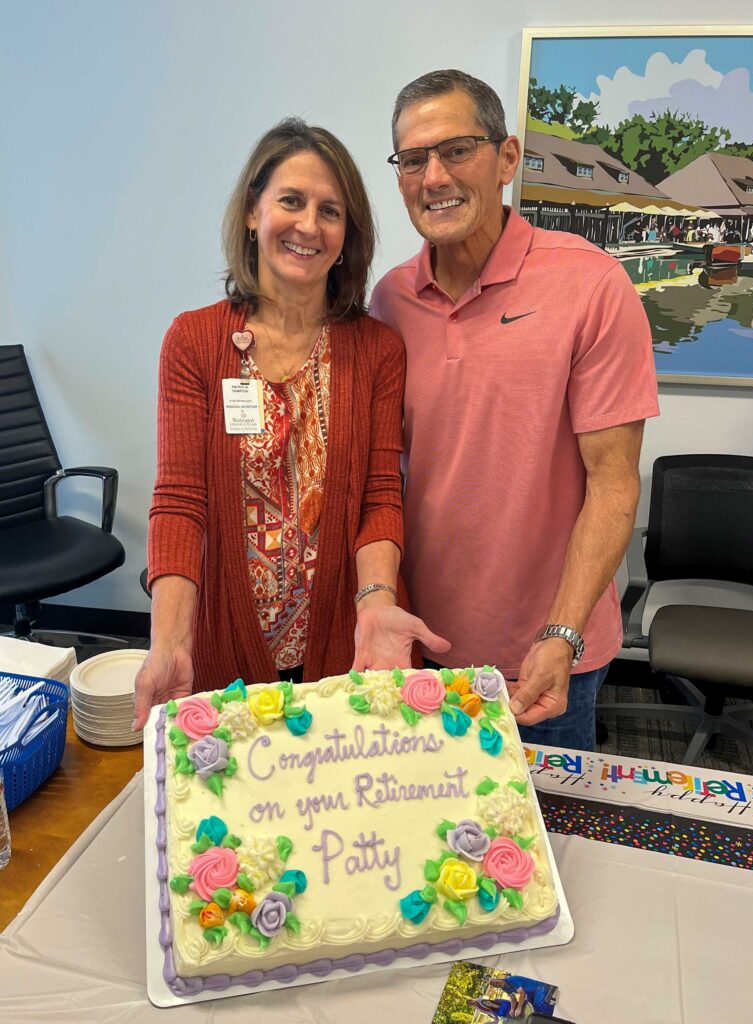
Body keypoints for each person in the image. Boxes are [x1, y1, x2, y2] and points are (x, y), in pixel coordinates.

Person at [370, 70, 659, 750]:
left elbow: (614, 484)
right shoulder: (389, 303)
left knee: (547, 842)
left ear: (505, 159)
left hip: (550, 651)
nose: (433, 176)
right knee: (440, 842)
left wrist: (561, 632)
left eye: (456, 150)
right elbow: (382, 479)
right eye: (413, 160)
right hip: (424, 642)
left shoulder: (592, 285)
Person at [133, 118, 448, 730]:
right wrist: (170, 639)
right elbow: (179, 503)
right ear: (253, 212)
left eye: (330, 210)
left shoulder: (377, 349)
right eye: (291, 201)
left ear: (347, 232)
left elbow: (381, 496)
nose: (309, 225)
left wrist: (376, 603)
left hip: (350, 643)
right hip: (225, 645)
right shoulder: (194, 342)